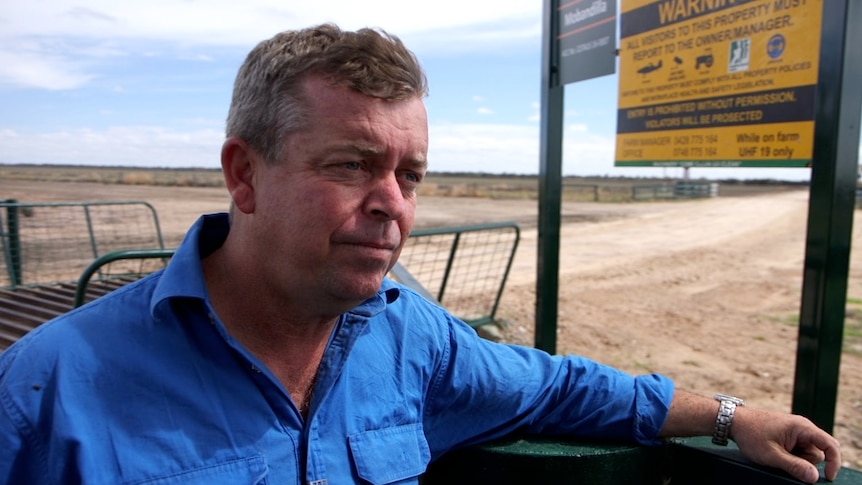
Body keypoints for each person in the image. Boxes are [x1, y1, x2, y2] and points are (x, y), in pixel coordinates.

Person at [0, 24, 841, 484]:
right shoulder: (52, 388)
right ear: (244, 175)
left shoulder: (414, 343)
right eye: (353, 165)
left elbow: (565, 386)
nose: (394, 204)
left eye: (409, 173)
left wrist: (731, 416)